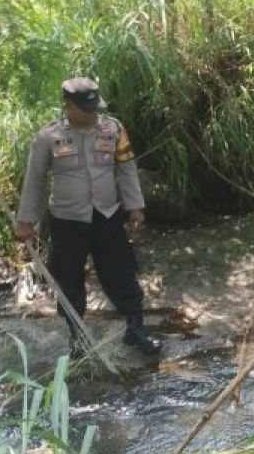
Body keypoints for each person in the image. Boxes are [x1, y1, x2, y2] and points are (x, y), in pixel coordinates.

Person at [15, 77, 160, 357]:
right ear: (68, 106)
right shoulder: (49, 137)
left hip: (107, 216)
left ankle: (136, 328)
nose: (92, 115)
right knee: (68, 278)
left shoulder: (113, 129)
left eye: (95, 109)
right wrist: (25, 222)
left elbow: (127, 169)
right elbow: (34, 180)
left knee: (122, 273)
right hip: (67, 221)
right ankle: (77, 336)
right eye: (85, 110)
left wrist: (135, 207)